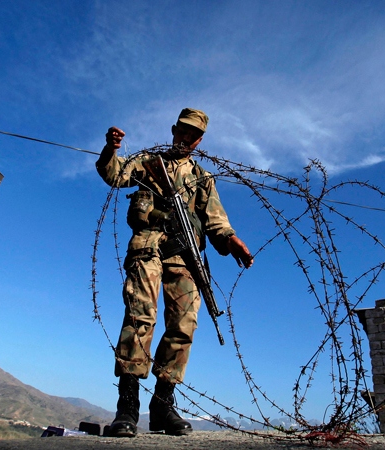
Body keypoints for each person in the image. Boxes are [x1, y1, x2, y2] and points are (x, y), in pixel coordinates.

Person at [96, 108, 254, 437]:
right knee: (141, 315)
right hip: (149, 245)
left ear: (200, 141)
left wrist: (230, 240)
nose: (186, 138)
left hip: (184, 255)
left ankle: (163, 406)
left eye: (193, 135)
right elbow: (114, 175)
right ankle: (127, 406)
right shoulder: (147, 163)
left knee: (184, 324)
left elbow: (216, 221)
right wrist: (111, 149)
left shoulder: (202, 178)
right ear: (173, 130)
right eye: (182, 131)